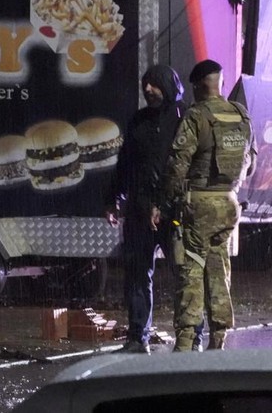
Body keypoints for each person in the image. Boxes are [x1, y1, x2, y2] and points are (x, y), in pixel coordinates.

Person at [156, 59, 256, 351]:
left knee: (192, 269)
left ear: (200, 85)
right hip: (229, 203)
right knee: (219, 269)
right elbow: (249, 164)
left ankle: (186, 342)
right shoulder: (240, 115)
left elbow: (177, 164)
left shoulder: (196, 115)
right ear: (220, 83)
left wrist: (166, 201)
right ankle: (219, 339)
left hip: (198, 204)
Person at [106, 65, 192, 354]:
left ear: (169, 85)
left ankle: (192, 336)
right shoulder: (139, 120)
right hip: (139, 211)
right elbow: (125, 163)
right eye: (145, 84)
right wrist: (113, 198)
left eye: (154, 84)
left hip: (174, 212)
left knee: (184, 274)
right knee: (137, 273)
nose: (148, 90)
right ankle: (137, 337)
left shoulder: (185, 118)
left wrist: (167, 202)